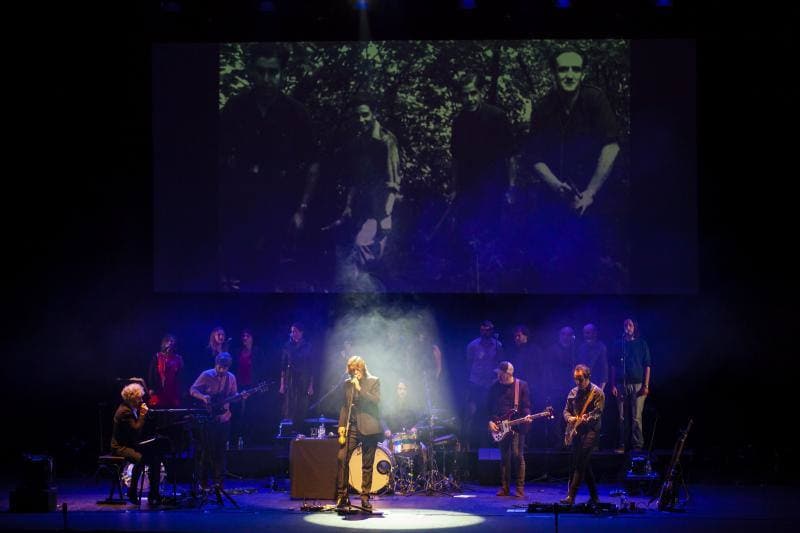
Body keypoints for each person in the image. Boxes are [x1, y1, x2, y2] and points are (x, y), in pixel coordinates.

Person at [219, 43, 319, 291]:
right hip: (240, 207)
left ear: (282, 73)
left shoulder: (296, 113)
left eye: (272, 72)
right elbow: (217, 156)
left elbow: (313, 163)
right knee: (235, 278)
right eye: (260, 71)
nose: (266, 79)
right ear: (251, 71)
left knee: (271, 275)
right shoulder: (235, 107)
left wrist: (301, 210)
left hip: (279, 207)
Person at [525, 49, 621, 290]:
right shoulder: (543, 107)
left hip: (594, 192)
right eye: (563, 69)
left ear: (583, 73)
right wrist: (556, 187)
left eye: (575, 69)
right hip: (555, 194)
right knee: (553, 264)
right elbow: (534, 156)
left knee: (594, 264)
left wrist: (591, 192)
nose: (569, 74)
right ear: (553, 73)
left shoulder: (595, 100)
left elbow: (611, 146)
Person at [447, 73, 517, 287]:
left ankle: (496, 281)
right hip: (468, 189)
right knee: (469, 237)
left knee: (494, 235)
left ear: (481, 93)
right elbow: (456, 159)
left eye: (473, 93)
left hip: (495, 187)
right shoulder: (459, 122)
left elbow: (510, 155)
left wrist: (511, 188)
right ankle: (473, 281)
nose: (469, 99)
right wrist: (454, 188)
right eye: (465, 95)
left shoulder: (497, 116)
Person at [335, 95, 401, 288]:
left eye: (365, 115)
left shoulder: (385, 140)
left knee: (369, 252)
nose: (361, 120)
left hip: (382, 208)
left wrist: (387, 214)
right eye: (357, 116)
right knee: (360, 253)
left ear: (374, 114)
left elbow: (393, 180)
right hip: (362, 207)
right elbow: (355, 178)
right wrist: (348, 206)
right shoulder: (357, 142)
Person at [336, 356, 382, 511]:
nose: (355, 373)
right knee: (342, 458)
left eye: (357, 369)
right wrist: (342, 425)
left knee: (367, 464)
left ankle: (364, 498)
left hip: (369, 428)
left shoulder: (374, 381)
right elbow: (344, 406)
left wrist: (360, 389)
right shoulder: (347, 384)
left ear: (363, 368)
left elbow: (375, 400)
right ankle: (342, 496)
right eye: (352, 370)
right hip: (352, 427)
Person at [190, 353, 239, 491]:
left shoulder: (231, 378)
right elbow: (192, 390)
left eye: (225, 368)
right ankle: (203, 482)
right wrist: (203, 397)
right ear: (215, 364)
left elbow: (233, 396)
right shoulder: (206, 375)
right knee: (207, 451)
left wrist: (240, 397)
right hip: (209, 419)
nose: (222, 370)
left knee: (221, 451)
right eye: (220, 367)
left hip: (224, 418)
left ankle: (219, 483)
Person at [110, 383, 163, 505]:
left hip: (131, 444)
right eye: (139, 398)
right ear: (132, 398)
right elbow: (136, 430)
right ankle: (132, 491)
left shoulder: (131, 409)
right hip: (120, 447)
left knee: (155, 458)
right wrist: (143, 415)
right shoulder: (125, 411)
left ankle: (154, 493)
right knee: (141, 459)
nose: (141, 400)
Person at [561, 364, 605, 506]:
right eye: (575, 379)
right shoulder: (573, 392)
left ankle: (571, 497)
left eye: (580, 379)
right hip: (576, 431)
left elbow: (598, 412)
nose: (577, 382)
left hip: (591, 431)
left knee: (580, 462)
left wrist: (587, 417)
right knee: (584, 463)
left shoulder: (597, 393)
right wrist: (570, 418)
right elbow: (566, 411)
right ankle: (595, 497)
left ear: (587, 377)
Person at [487, 361, 530, 497]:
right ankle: (505, 487)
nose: (499, 376)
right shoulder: (494, 386)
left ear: (508, 374)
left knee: (517, 455)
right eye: (498, 373)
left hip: (516, 426)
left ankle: (519, 488)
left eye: (501, 374)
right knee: (504, 457)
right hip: (500, 426)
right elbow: (488, 407)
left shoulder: (521, 385)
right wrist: (490, 422)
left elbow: (526, 405)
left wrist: (527, 415)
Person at [610, 318, 651, 453]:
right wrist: (613, 385)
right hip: (621, 384)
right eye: (625, 324)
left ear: (634, 328)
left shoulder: (641, 343)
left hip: (638, 385)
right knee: (622, 417)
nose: (627, 327)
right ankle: (622, 444)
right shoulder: (618, 344)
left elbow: (647, 365)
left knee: (636, 417)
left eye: (630, 325)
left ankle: (637, 445)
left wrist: (646, 385)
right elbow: (614, 366)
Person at [464, 320, 504, 450]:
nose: (485, 332)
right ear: (480, 330)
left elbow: (500, 363)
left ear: (492, 331)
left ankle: (491, 443)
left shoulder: (498, 345)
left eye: (488, 330)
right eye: (483, 330)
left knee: (490, 412)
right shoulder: (473, 345)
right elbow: (469, 363)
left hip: (491, 385)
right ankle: (471, 443)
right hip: (476, 383)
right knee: (475, 412)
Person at [279, 323, 315, 435]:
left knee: (302, 406)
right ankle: (290, 432)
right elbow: (283, 367)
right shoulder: (287, 346)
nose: (293, 333)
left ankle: (300, 431)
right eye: (292, 331)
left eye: (295, 331)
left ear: (301, 332)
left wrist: (311, 385)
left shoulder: (308, 346)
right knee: (290, 405)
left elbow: (312, 368)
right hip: (290, 380)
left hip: (304, 381)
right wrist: (282, 385)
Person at [147, 334, 184, 408]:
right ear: (164, 344)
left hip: (173, 390)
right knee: (156, 409)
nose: (170, 343)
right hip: (158, 389)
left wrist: (182, 390)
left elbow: (181, 375)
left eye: (172, 341)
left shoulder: (178, 358)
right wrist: (151, 388)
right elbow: (151, 374)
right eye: (168, 341)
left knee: (173, 410)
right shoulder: (157, 356)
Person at [577, 323, 608, 392]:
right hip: (583, 384)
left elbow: (604, 368)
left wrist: (601, 388)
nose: (585, 334)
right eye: (584, 332)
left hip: (596, 384)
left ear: (594, 333)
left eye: (588, 332)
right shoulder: (581, 347)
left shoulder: (600, 347)